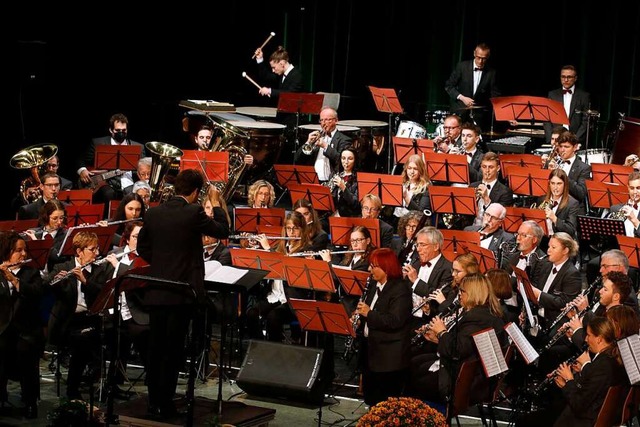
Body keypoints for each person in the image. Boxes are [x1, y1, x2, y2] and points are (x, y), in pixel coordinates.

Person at [136, 169, 229, 419]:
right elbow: (222, 230)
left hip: (156, 290)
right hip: (181, 293)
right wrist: (217, 202)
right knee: (173, 350)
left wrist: (161, 265)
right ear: (196, 192)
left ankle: (153, 401)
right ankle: (165, 404)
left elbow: (141, 246)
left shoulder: (154, 212)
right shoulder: (193, 212)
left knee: (156, 349)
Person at [407, 274, 507, 405]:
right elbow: (467, 345)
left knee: (413, 378)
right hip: (465, 370)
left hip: (463, 380)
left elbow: (456, 351)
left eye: (462, 291)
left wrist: (441, 331)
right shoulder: (481, 312)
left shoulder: (477, 318)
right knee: (413, 363)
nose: (459, 294)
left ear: (473, 293)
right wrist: (437, 337)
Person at [45, 231, 115, 400]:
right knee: (82, 343)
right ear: (79, 251)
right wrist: (56, 282)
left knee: (112, 335)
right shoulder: (63, 267)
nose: (97, 253)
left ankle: (103, 383)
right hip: (67, 320)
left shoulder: (100, 269)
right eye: (92, 249)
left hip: (91, 317)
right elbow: (44, 287)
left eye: (97, 248)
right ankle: (74, 388)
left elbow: (102, 294)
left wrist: (85, 280)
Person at [353, 247, 412, 406]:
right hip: (370, 349)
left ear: (386, 267)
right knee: (370, 398)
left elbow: (395, 320)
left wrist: (368, 314)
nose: (369, 269)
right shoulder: (373, 284)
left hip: (388, 356)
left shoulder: (400, 289)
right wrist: (360, 319)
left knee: (385, 402)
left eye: (373, 266)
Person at [0, 231, 44, 419]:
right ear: (7, 252)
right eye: (19, 250)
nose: (23, 254)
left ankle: (30, 401)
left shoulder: (32, 273)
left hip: (26, 330)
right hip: (2, 329)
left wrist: (13, 279)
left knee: (26, 354)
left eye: (24, 250)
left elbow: (36, 294)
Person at [77, 113, 145, 210]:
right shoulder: (98, 143)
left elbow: (142, 169)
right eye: (117, 130)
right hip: (105, 182)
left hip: (128, 183)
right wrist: (82, 170)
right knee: (108, 194)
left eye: (124, 130)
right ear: (111, 130)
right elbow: (81, 160)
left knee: (132, 195)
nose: (121, 132)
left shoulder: (139, 147)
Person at [402, 226, 453, 329]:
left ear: (436, 247)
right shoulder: (415, 263)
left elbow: (439, 296)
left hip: (429, 323)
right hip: (408, 320)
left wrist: (416, 281)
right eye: (417, 245)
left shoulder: (448, 268)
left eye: (423, 245)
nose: (418, 249)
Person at [445, 43, 501, 132]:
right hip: (459, 112)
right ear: (474, 53)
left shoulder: (491, 73)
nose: (480, 61)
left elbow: (495, 96)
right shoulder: (462, 66)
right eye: (478, 57)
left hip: (478, 116)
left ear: (488, 57)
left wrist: (504, 115)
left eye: (484, 59)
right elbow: (449, 86)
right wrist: (462, 98)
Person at [294, 106, 352, 183]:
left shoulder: (344, 140)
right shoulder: (316, 138)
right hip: (312, 180)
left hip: (332, 182)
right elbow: (297, 160)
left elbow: (342, 162)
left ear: (336, 120)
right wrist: (308, 142)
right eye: (321, 120)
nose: (324, 123)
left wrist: (325, 146)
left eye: (327, 120)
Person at [543, 65, 591, 145]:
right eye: (563, 77)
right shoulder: (552, 95)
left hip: (575, 140)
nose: (566, 80)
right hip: (556, 140)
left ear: (575, 78)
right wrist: (551, 138)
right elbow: (547, 119)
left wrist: (575, 140)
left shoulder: (584, 96)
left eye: (569, 77)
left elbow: (585, 121)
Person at [536, 168, 583, 244]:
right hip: (543, 240)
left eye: (559, 184)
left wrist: (555, 219)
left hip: (561, 243)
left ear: (565, 184)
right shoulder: (542, 200)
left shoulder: (572, 204)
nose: (555, 187)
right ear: (549, 183)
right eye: (553, 183)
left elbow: (571, 230)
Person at [547, 131, 591, 206]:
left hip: (571, 207)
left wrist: (562, 175)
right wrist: (547, 172)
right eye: (560, 146)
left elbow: (581, 193)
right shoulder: (552, 162)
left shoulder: (584, 168)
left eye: (566, 147)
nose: (562, 150)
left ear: (575, 147)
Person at [392, 154, 432, 227]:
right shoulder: (402, 182)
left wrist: (406, 198)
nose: (412, 172)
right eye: (409, 168)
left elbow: (422, 214)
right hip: (396, 221)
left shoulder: (426, 188)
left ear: (421, 170)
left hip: (414, 225)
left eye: (415, 169)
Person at [329, 146, 360, 218]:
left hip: (349, 215)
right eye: (343, 158)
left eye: (350, 159)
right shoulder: (334, 175)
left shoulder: (358, 179)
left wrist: (343, 188)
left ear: (355, 160)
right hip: (333, 213)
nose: (346, 162)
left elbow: (355, 203)